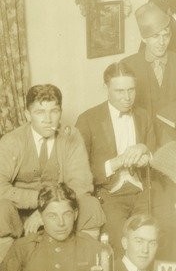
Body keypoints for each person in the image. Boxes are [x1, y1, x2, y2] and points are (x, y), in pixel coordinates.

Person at [0, 84, 104, 261]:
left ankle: (85, 268)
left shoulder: (71, 137)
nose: (48, 119)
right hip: (20, 213)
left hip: (61, 208)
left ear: (61, 112)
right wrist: (40, 202)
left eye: (54, 111)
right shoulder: (12, 141)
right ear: (27, 115)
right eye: (40, 112)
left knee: (90, 204)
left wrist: (48, 210)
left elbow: (81, 184)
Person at [76, 62, 155, 253]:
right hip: (109, 195)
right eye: (120, 91)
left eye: (131, 90)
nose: (127, 97)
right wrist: (115, 163)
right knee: (122, 247)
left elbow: (155, 151)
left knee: (148, 244)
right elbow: (80, 172)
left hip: (142, 192)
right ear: (106, 88)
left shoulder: (144, 116)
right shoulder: (87, 119)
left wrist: (145, 153)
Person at [123, 2, 176, 147]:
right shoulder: (128, 66)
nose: (162, 42)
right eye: (155, 36)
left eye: (166, 36)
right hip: (143, 145)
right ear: (144, 38)